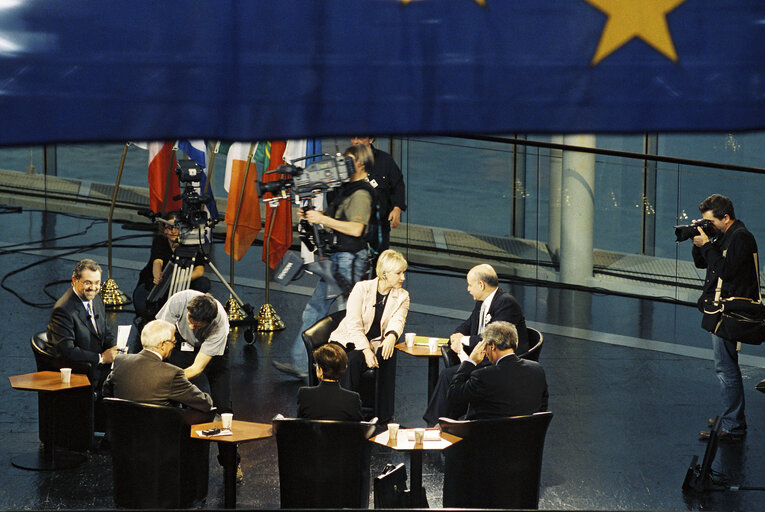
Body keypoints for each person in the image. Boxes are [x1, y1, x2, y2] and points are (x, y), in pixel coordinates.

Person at [273, 144, 375, 379]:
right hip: (340, 259)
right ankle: (312, 365)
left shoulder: (361, 193)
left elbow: (357, 229)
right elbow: (333, 220)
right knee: (323, 313)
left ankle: (326, 367)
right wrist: (312, 217)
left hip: (349, 261)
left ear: (359, 163)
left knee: (335, 314)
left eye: (347, 161)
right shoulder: (345, 189)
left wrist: (322, 219)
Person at [422, 263, 528, 425]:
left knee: (448, 376)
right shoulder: (482, 302)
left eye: (470, 285)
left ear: (481, 284)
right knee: (453, 374)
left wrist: (463, 340)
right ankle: (445, 422)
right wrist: (456, 335)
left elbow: (492, 339)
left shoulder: (506, 303)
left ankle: (436, 424)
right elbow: (469, 323)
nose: (468, 289)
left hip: (498, 361)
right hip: (482, 354)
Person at [693, 194, 758, 442]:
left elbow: (726, 272)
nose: (707, 226)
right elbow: (705, 265)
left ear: (726, 217)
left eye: (710, 221)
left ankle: (733, 425)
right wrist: (698, 243)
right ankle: (732, 417)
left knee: (726, 368)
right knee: (725, 366)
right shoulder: (725, 235)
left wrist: (708, 245)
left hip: (730, 312)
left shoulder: (741, 237)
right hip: (720, 310)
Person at [327, 249, 409, 422]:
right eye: (399, 273)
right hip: (347, 338)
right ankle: (346, 412)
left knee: (353, 360)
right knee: (349, 359)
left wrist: (392, 336)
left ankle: (345, 413)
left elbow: (398, 320)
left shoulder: (402, 296)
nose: (403, 277)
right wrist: (366, 350)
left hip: (372, 343)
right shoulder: (362, 288)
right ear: (385, 274)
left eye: (403, 272)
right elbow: (353, 323)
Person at [103, 319, 213, 412]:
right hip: (159, 435)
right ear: (162, 345)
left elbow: (106, 394)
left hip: (120, 434)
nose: (173, 346)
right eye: (173, 342)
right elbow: (204, 403)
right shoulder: (172, 373)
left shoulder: (120, 362)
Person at [446, 321, 547, 420]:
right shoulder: (537, 370)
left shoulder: (483, 376)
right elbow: (542, 408)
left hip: (487, 434)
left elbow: (454, 395)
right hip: (528, 434)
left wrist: (470, 362)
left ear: (492, 346)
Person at [155, 290, 232, 414]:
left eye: (196, 326)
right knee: (190, 400)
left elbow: (197, 368)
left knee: (220, 405)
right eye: (189, 321)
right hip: (183, 343)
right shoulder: (179, 301)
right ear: (188, 310)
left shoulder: (219, 326)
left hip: (212, 351)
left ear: (209, 322)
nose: (191, 327)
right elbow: (160, 335)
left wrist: (167, 380)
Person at [47, 259, 118, 392]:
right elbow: (67, 351)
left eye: (97, 283)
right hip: (80, 372)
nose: (93, 288)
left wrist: (115, 348)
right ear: (74, 280)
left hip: (98, 367)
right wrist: (101, 358)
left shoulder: (96, 299)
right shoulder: (63, 310)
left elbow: (106, 331)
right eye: (87, 283)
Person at [132, 210, 211, 320]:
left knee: (203, 283)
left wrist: (182, 279)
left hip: (184, 280)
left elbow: (200, 269)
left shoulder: (190, 241)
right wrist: (157, 276)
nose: (172, 231)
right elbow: (157, 261)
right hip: (162, 281)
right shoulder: (160, 241)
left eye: (176, 228)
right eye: (168, 228)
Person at [349, 136, 406, 261]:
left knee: (380, 265)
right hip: (353, 225)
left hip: (379, 225)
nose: (356, 141)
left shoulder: (385, 160)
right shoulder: (345, 162)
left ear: (371, 139)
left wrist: (397, 208)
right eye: (353, 137)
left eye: (360, 137)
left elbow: (398, 184)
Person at [297, 344, 362, 421]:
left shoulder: (304, 394)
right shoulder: (353, 398)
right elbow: (358, 427)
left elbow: (299, 424)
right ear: (343, 369)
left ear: (320, 370)